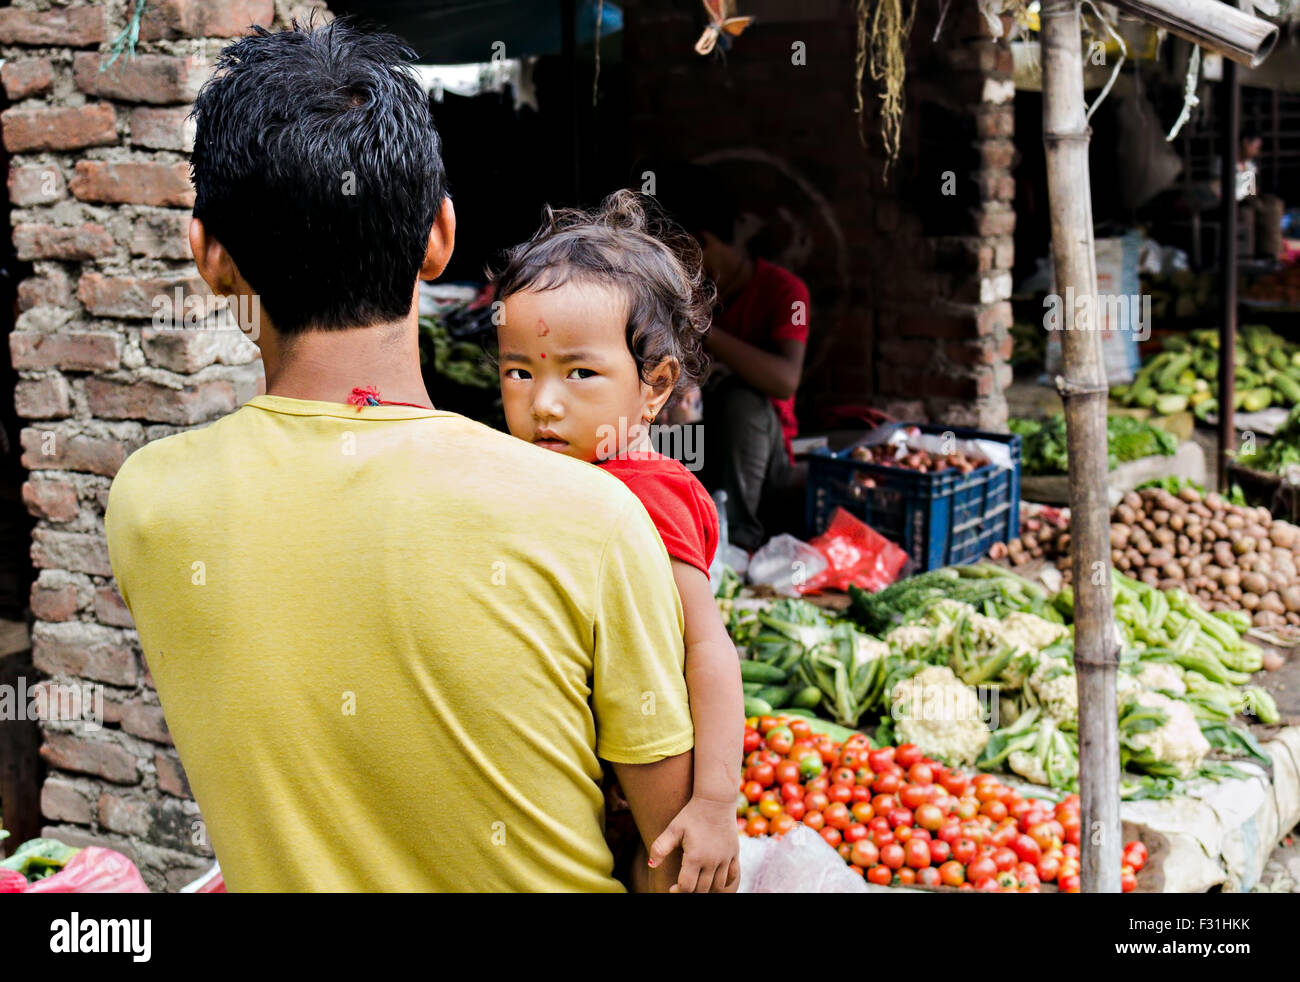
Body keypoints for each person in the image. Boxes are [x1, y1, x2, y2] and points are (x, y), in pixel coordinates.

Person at [105, 18, 698, 893]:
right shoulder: (595, 521)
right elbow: (676, 856)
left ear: (211, 259)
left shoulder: (149, 502)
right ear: (440, 236)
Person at [491, 190, 744, 893]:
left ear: (656, 385)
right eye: (519, 370)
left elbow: (706, 647)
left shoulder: (649, 496)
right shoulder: (534, 474)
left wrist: (717, 801)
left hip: (655, 776)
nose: (544, 402)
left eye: (579, 373)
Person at [652, 164, 811, 552]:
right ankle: (669, 531)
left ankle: (741, 542)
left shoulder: (785, 291)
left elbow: (785, 380)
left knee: (742, 397)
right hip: (698, 449)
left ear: (701, 243)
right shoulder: (672, 296)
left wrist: (704, 328)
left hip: (761, 463)